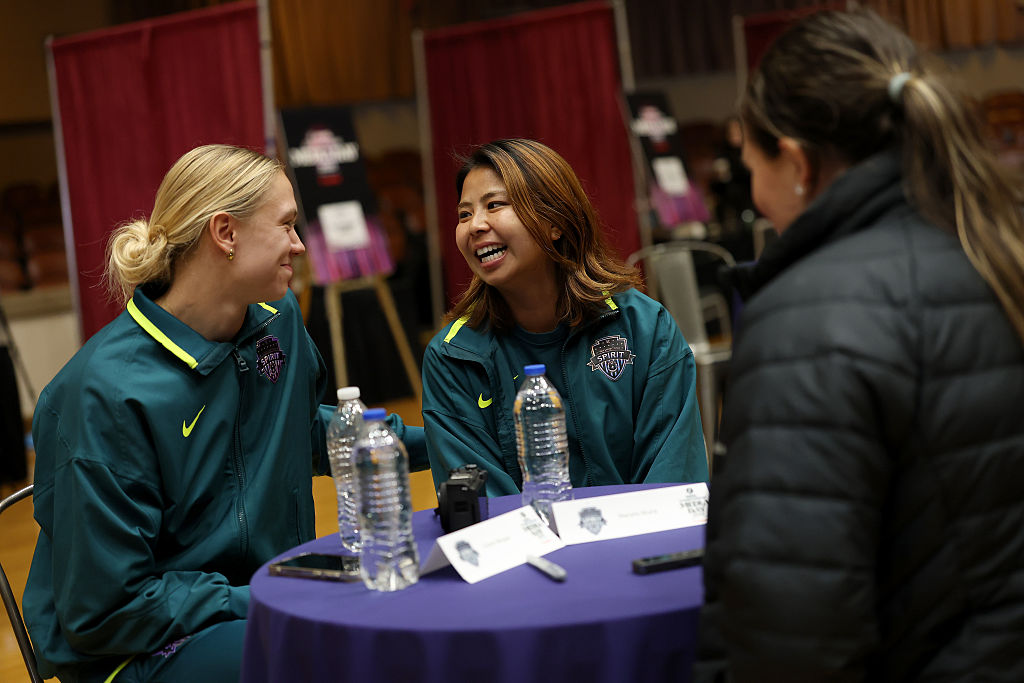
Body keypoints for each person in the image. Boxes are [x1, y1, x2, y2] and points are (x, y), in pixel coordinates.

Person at [697, 10, 1024, 682]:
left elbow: (793, 633)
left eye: (750, 159)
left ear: (796, 164)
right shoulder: (997, 249)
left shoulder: (806, 319)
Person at [23, 144, 424, 682]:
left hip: (255, 600)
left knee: (400, 623)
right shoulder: (104, 394)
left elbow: (300, 432)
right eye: (285, 226)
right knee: (332, 656)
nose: (300, 246)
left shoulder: (275, 321)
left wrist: (443, 440)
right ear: (225, 233)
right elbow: (106, 610)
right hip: (139, 648)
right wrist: (270, 593)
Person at [421, 138, 708, 497]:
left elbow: (675, 485)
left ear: (554, 222)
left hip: (638, 548)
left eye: (494, 205)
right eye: (464, 214)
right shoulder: (454, 359)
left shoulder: (644, 327)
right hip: (526, 553)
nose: (475, 225)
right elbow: (483, 513)